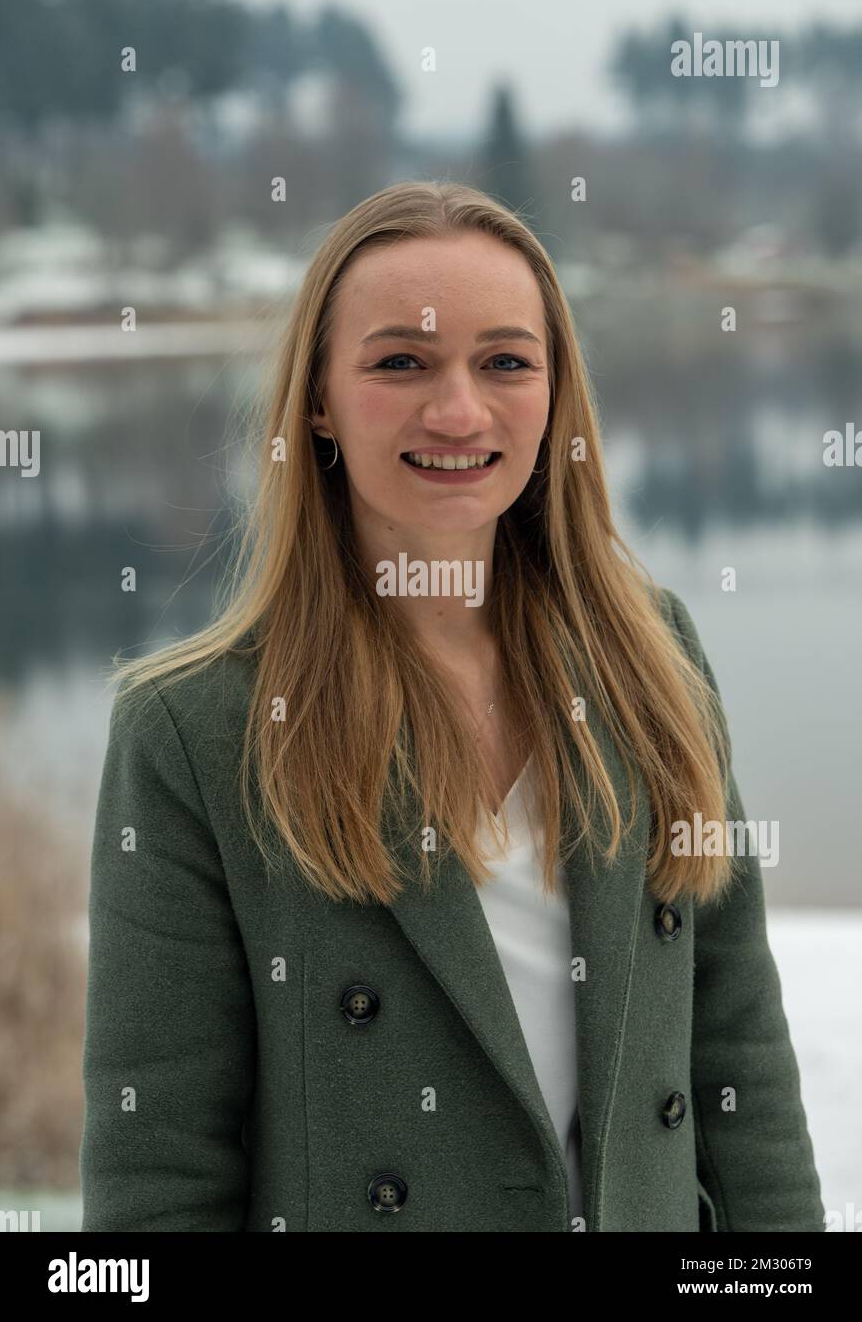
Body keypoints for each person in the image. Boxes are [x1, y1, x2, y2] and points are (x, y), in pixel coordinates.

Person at [79, 180, 824, 1232]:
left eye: (507, 362)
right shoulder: (196, 732)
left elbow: (738, 1055)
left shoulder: (652, 656)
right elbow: (156, 1175)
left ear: (557, 391)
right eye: (401, 363)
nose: (460, 410)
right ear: (320, 400)